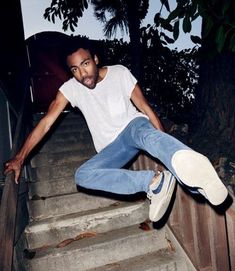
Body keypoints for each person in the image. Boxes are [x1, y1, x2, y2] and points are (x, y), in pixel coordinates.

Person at [4, 39, 228, 222]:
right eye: (75, 69)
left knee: (144, 131)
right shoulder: (70, 89)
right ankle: (154, 183)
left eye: (85, 64)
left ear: (95, 60)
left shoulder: (119, 73)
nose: (83, 74)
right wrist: (20, 158)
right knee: (83, 175)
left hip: (133, 128)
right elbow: (45, 123)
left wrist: (164, 144)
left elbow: (145, 107)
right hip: (111, 149)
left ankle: (199, 180)